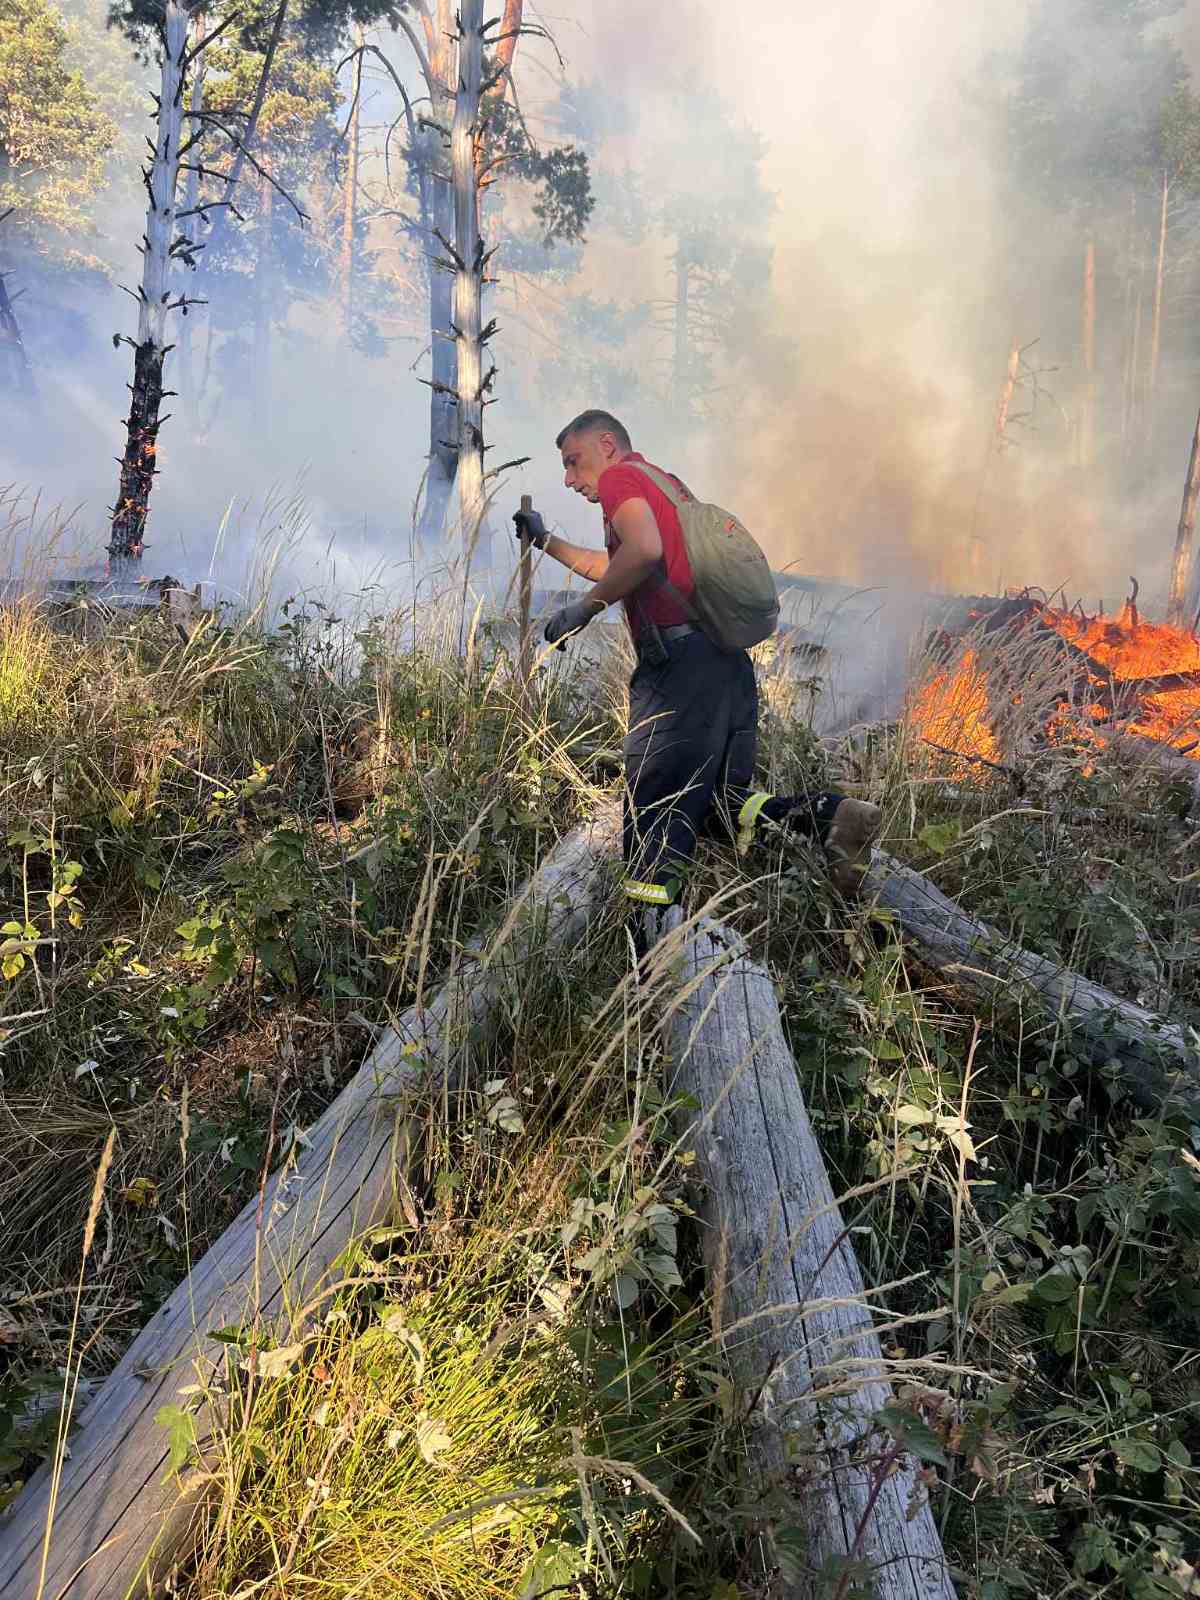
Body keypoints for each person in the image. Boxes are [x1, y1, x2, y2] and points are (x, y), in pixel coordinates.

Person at [513, 409, 881, 944]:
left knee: (657, 814)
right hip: (723, 667)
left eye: (574, 462)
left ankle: (652, 962)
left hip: (680, 675)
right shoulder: (665, 485)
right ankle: (832, 820)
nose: (570, 479)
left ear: (608, 446)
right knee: (718, 805)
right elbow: (621, 561)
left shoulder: (620, 479)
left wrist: (583, 611)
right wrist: (546, 541)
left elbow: (642, 551)